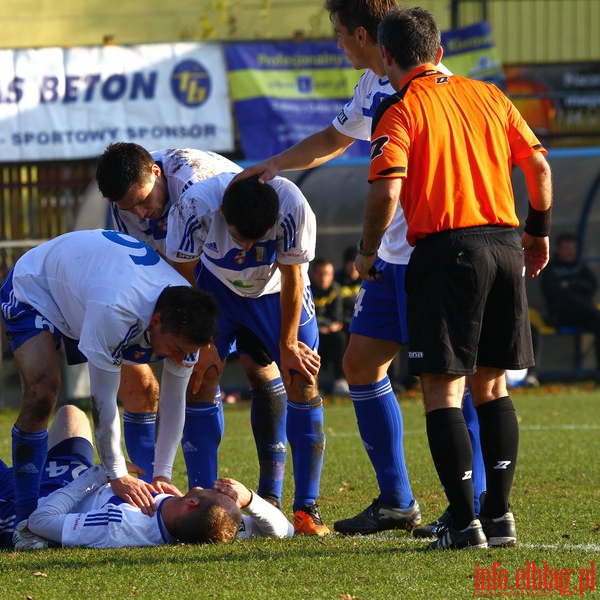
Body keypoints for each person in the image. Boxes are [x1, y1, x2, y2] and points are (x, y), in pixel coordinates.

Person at [233, 0, 487, 538]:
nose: (338, 44)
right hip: (391, 258)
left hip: (431, 251)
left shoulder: (424, 87)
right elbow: (335, 137)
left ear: (367, 36)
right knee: (361, 363)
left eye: (341, 34)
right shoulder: (374, 85)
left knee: (450, 379)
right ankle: (397, 500)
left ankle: (477, 502)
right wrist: (277, 163)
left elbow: (397, 179)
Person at [357, 6, 553, 549]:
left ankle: (464, 523)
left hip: (447, 252)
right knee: (491, 386)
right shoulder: (491, 95)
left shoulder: (400, 109)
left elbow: (386, 189)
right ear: (440, 52)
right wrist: (536, 233)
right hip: (506, 245)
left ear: (388, 57)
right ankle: (501, 517)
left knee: (444, 390)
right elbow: (538, 167)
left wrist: (367, 250)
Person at [0, 229, 218, 525]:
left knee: (144, 388)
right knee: (43, 391)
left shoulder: (185, 315)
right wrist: (116, 474)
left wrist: (162, 473)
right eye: (177, 350)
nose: (181, 359)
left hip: (91, 287)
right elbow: (102, 400)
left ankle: (145, 489)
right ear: (155, 322)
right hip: (39, 287)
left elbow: (175, 399)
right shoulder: (116, 311)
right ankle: (24, 517)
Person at [0, 394, 293, 550]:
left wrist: (101, 474)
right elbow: (283, 532)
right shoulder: (209, 522)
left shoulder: (122, 525)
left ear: (190, 502)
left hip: (24, 504)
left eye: (209, 491)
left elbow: (41, 522)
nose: (204, 484)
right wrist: (250, 499)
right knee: (71, 413)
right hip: (71, 483)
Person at [165, 173, 329, 536]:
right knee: (199, 378)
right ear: (222, 213)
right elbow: (181, 273)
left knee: (302, 377)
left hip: (275, 292)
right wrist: (203, 342)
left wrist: (288, 345)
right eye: (241, 237)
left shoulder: (294, 207)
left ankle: (306, 508)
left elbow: (293, 274)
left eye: (259, 238)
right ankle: (207, 500)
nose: (247, 246)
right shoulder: (193, 207)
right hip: (213, 292)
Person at [95, 143, 241, 483]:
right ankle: (153, 492)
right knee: (139, 384)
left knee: (207, 376)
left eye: (145, 201)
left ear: (156, 173)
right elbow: (140, 266)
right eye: (132, 207)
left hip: (229, 275)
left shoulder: (195, 183)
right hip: (173, 283)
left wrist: (200, 335)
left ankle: (211, 489)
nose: (142, 213)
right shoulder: (127, 207)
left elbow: (211, 262)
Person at [541, 232, 600, 377]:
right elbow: (555, 294)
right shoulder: (550, 269)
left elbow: (591, 286)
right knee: (572, 299)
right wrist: (577, 287)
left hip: (586, 316)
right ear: (558, 249)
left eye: (573, 249)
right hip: (562, 316)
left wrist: (571, 284)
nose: (570, 252)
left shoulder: (580, 267)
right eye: (567, 249)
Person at [309, 257, 348, 394]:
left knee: (341, 337)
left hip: (329, 333)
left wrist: (328, 326)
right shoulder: (305, 289)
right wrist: (320, 327)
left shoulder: (335, 289)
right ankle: (311, 385)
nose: (324, 278)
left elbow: (336, 318)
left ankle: (340, 380)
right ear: (313, 274)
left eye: (328, 274)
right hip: (311, 332)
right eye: (320, 274)